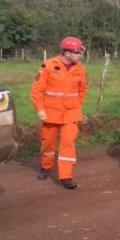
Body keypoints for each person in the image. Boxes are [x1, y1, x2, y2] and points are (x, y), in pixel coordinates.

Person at [30, 36, 88, 189]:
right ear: (67, 53)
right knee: (48, 143)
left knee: (68, 144)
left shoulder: (80, 69)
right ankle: (46, 167)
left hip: (71, 114)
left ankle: (66, 176)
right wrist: (40, 110)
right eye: (77, 52)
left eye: (80, 52)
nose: (80, 55)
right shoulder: (48, 66)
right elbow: (36, 91)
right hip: (51, 113)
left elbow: (82, 91)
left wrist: (75, 105)